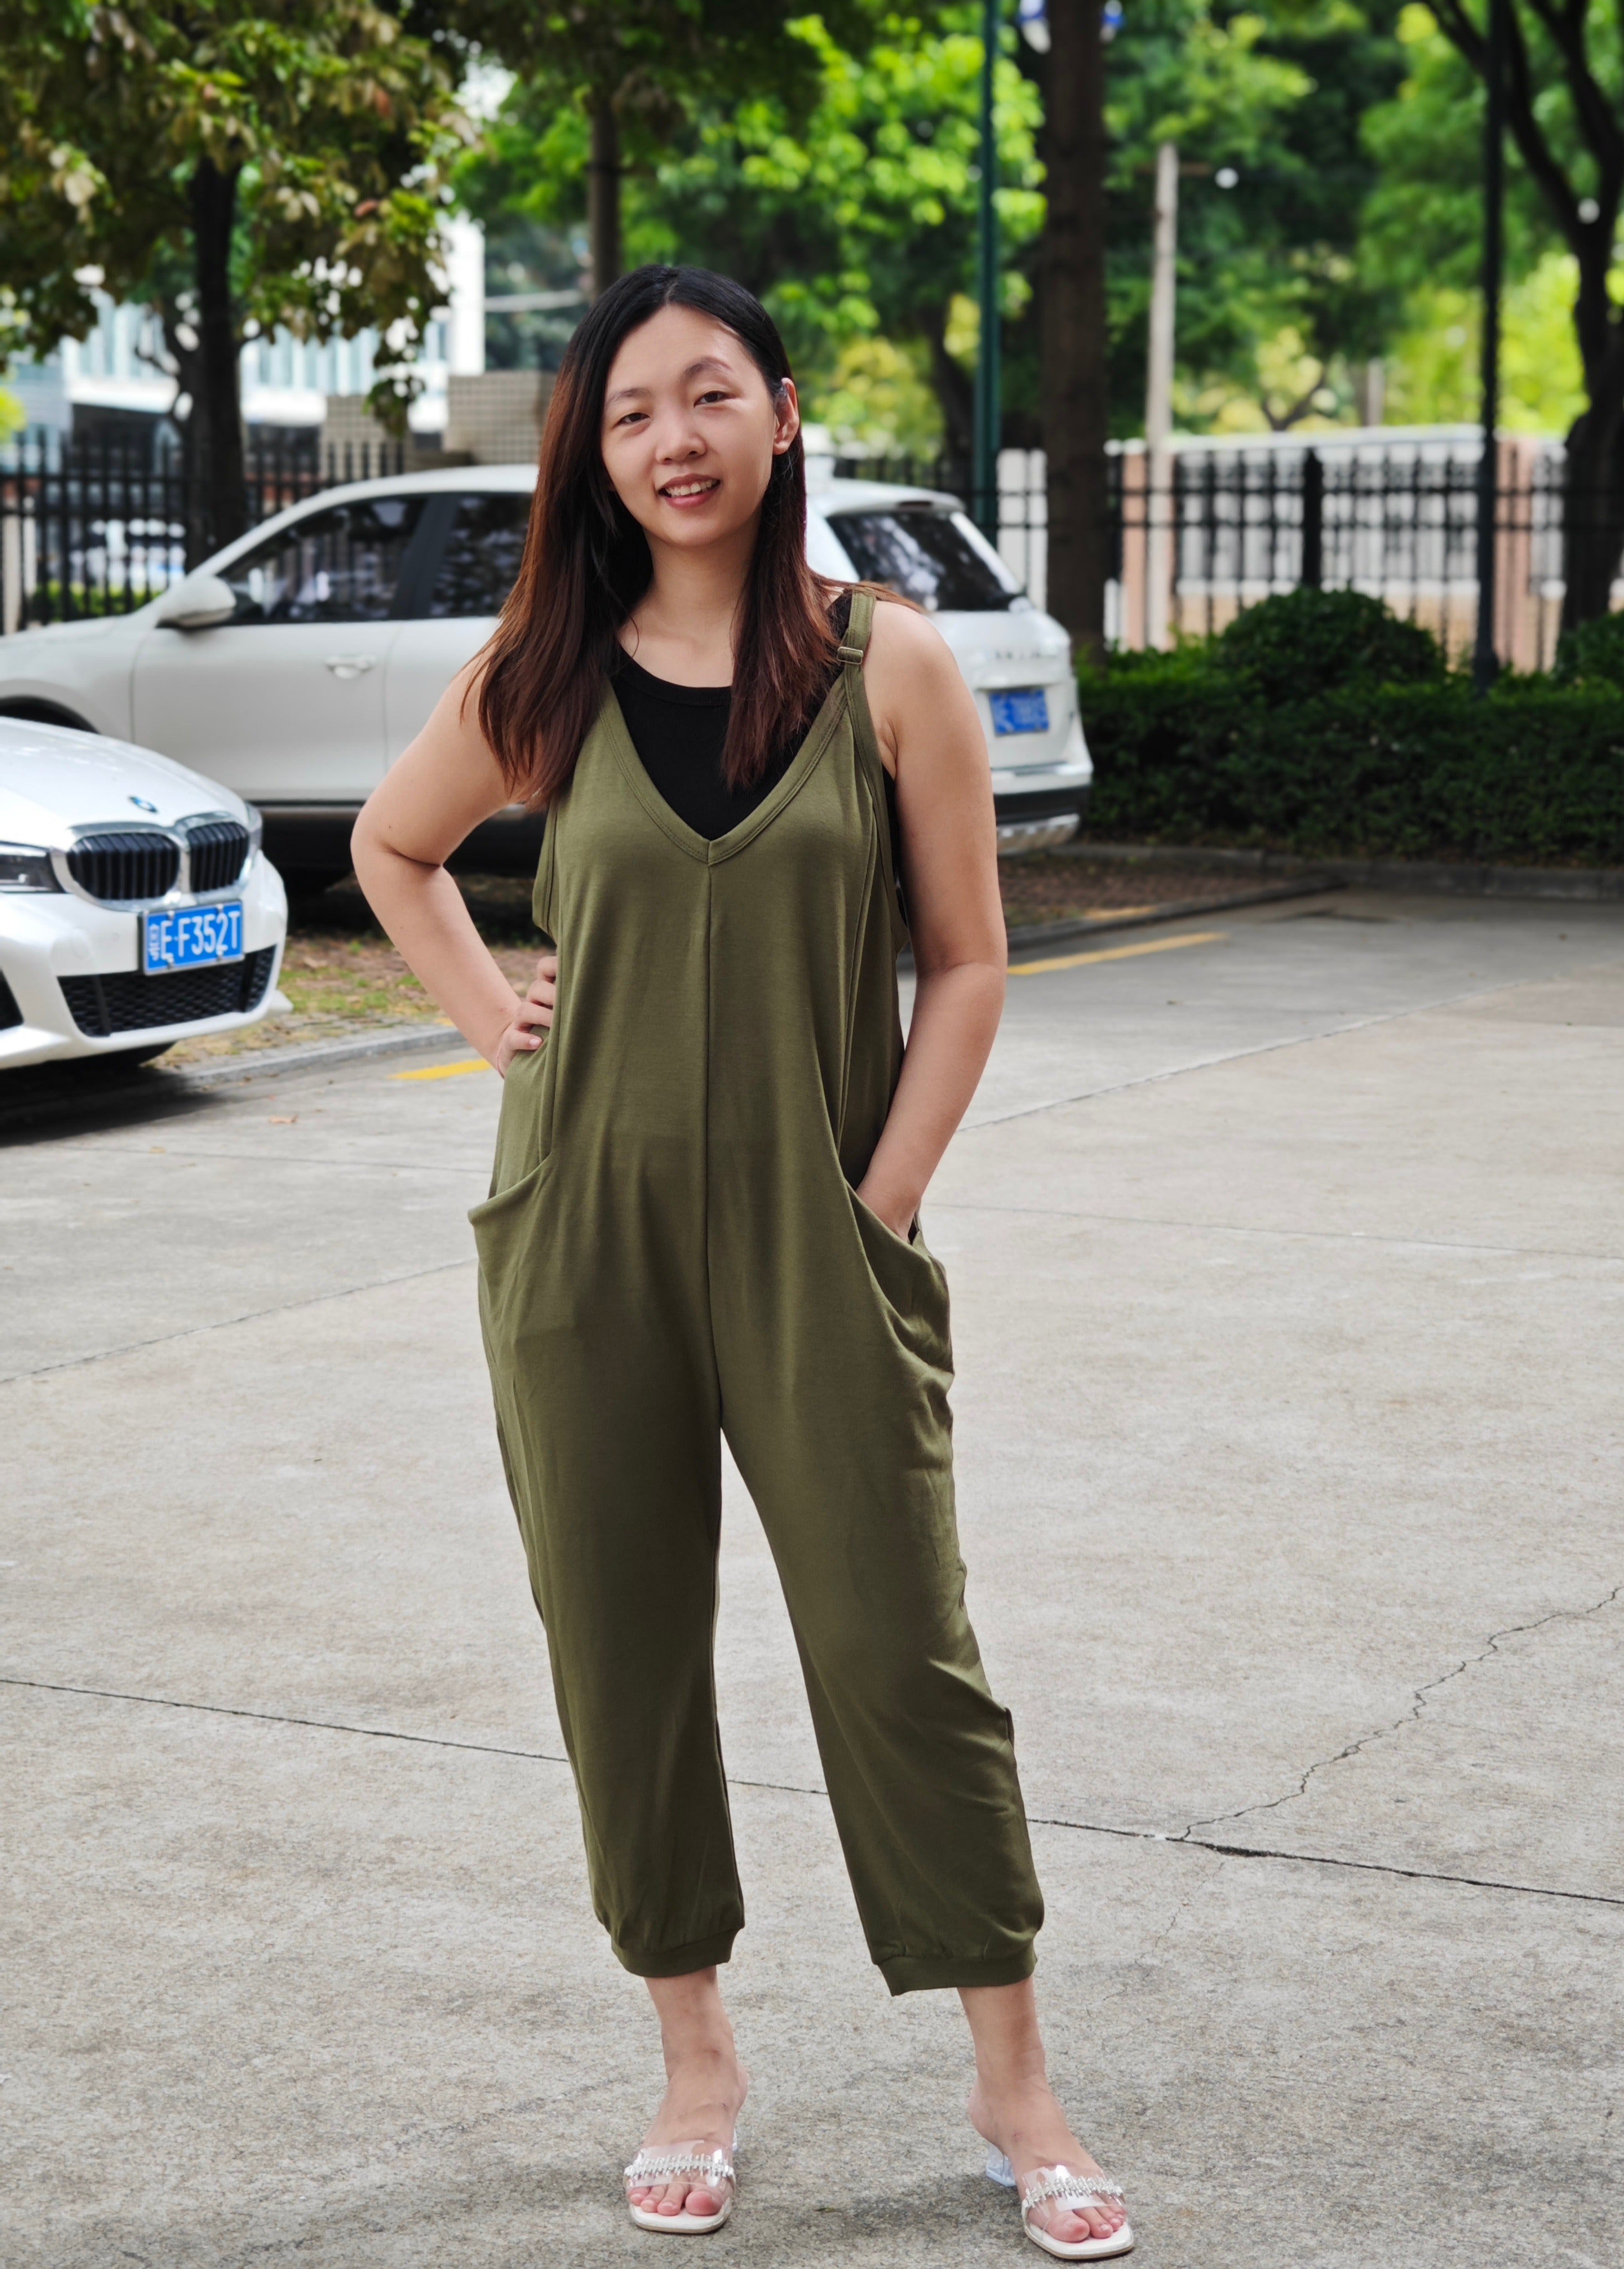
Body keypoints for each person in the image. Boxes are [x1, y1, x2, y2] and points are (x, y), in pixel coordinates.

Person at [351, 264, 1131, 2261]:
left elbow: (968, 963)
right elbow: (390, 849)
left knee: (901, 1653)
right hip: (581, 1237)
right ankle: (694, 2065)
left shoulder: (890, 667)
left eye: (707, 396)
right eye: (628, 414)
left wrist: (881, 1205)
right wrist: (488, 1014)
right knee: (623, 1658)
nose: (671, 441)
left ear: (783, 414)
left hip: (821, 1235)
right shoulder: (545, 671)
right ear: (593, 455)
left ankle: (1016, 2085)